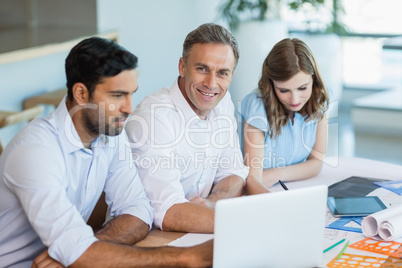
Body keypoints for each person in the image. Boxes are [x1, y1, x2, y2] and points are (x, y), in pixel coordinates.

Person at [0, 37, 212, 267]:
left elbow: (139, 211)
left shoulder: (111, 136)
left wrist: (85, 248)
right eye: (117, 96)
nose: (129, 108)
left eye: (131, 94)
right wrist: (188, 257)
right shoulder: (35, 152)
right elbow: (77, 251)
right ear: (81, 94)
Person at [125, 23, 249, 233]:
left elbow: (234, 174)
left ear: (231, 76)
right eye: (202, 69)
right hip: (150, 237)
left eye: (222, 73)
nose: (211, 83)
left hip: (199, 228)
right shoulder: (154, 118)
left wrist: (211, 203)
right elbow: (168, 211)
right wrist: (248, 228)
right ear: (182, 67)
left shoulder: (222, 100)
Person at [239, 38, 329, 195]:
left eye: (302, 88)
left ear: (313, 79)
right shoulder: (257, 106)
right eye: (284, 90)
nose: (294, 100)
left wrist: (277, 174)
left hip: (293, 188)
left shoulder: (319, 99)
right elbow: (253, 181)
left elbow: (316, 163)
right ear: (271, 85)